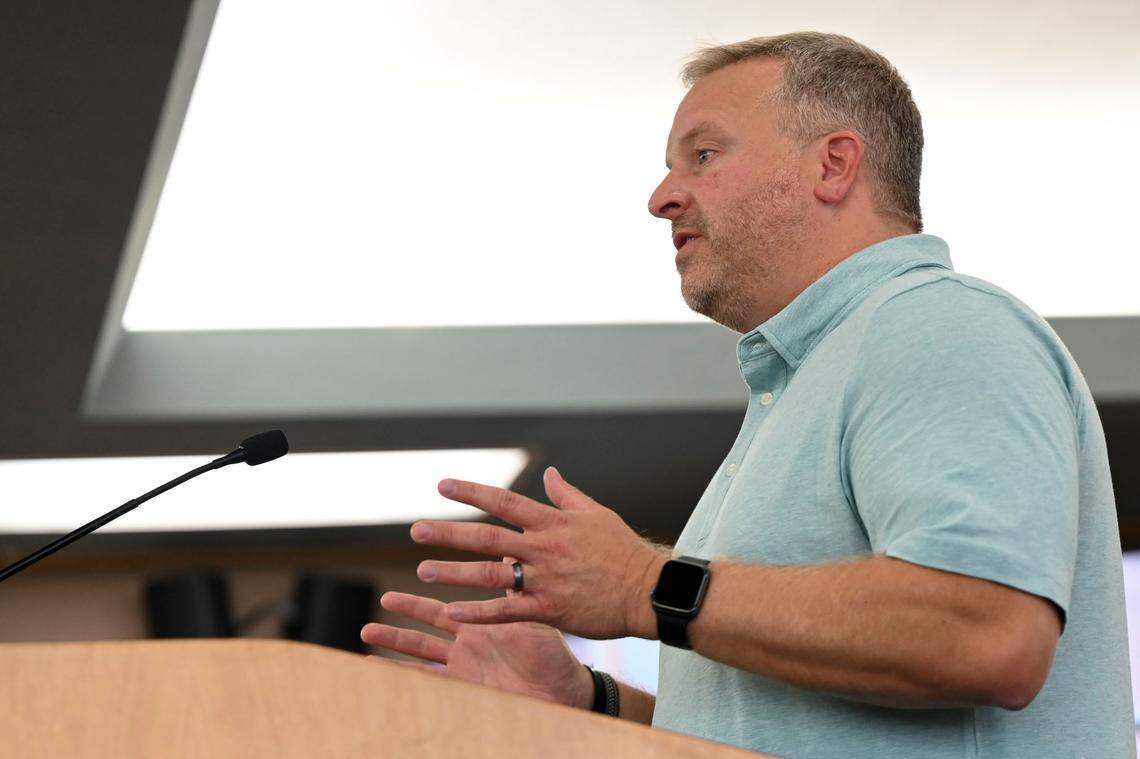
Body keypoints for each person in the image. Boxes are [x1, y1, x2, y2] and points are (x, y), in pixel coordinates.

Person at [361, 31, 1135, 758]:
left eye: (703, 155)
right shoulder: (808, 383)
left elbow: (986, 635)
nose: (663, 196)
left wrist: (643, 583)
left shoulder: (936, 326)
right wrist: (588, 699)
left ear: (834, 165)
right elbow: (774, 726)